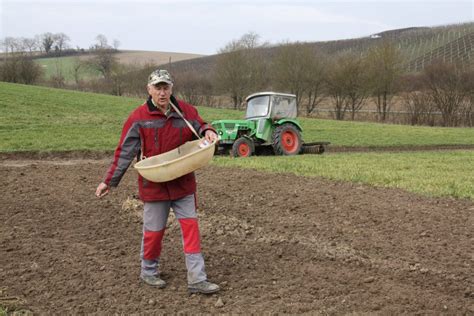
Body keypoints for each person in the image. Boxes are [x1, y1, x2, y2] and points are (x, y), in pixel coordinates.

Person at [95, 69, 220, 294]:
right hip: (154, 184)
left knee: (191, 228)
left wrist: (208, 131)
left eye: (166, 87)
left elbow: (201, 126)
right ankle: (149, 272)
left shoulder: (185, 111)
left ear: (172, 89)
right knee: (154, 232)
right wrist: (108, 181)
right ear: (149, 89)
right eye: (158, 88)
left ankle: (197, 279)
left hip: (183, 183)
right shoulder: (138, 117)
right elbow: (125, 152)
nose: (162, 93)